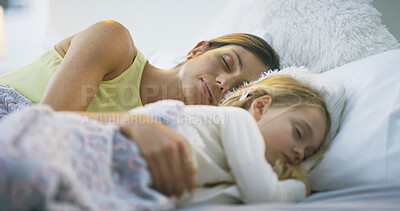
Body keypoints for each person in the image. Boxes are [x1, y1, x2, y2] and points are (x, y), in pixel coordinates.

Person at [0, 74, 331, 210]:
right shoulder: (237, 121)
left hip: (120, 182)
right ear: (260, 106)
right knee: (25, 165)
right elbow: (265, 195)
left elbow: (194, 196)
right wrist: (303, 185)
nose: (301, 153)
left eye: (309, 154)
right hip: (102, 146)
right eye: (299, 133)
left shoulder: (229, 170)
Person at [0, 20, 279, 114]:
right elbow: (45, 126)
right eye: (227, 62)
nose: (224, 83)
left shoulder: (180, 135)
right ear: (198, 49)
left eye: (239, 88)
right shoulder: (113, 40)